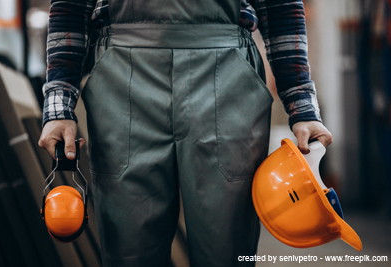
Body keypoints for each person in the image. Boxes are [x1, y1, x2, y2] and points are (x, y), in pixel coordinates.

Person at [39, 0, 332, 266]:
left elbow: (281, 8)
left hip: (226, 76)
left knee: (227, 251)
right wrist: (59, 105)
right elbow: (70, 6)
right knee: (130, 252)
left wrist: (301, 104)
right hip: (123, 80)